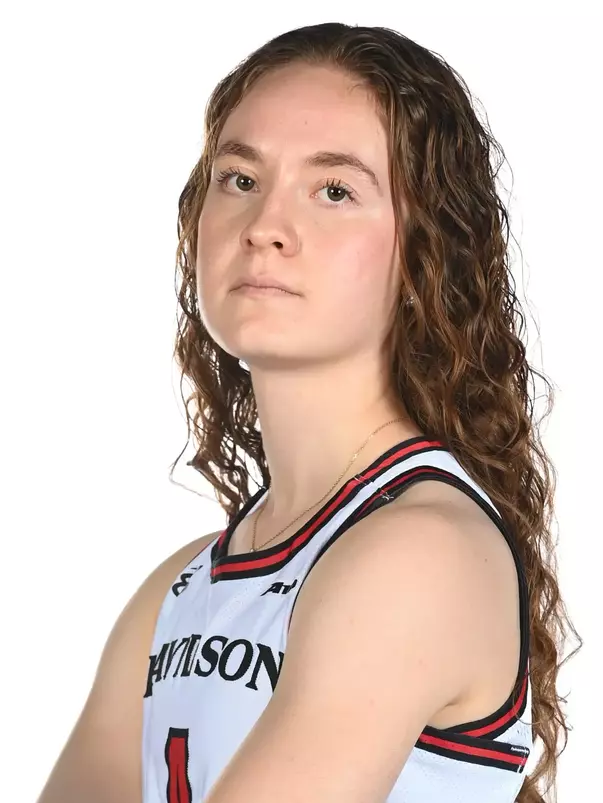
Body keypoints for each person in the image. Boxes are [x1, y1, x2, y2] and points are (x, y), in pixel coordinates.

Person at [37, 21, 580, 803]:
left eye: (335, 190)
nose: (264, 228)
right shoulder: (178, 590)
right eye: (239, 178)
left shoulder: (419, 553)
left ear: (425, 248)